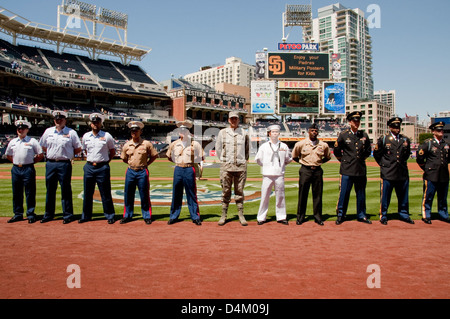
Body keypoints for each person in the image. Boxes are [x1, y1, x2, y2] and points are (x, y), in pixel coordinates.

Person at [39, 111, 82, 224]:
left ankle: (68, 214)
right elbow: (43, 146)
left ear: (65, 120)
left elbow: (78, 148)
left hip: (64, 164)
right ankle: (48, 214)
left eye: (61, 119)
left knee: (66, 190)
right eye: (57, 119)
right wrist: (52, 154)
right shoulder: (48, 132)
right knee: (50, 190)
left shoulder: (71, 132)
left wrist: (68, 154)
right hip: (51, 163)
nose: (59, 121)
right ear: (54, 121)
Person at [373, 117, 414, 225]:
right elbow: (377, 154)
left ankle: (404, 214)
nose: (397, 128)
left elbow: (406, 155)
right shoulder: (384, 139)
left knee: (403, 196)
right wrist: (384, 165)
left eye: (398, 126)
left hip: (402, 172)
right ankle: (384, 215)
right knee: (386, 196)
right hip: (388, 172)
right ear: (390, 127)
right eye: (395, 127)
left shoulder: (405, 140)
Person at [334, 111, 372, 224]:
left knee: (361, 194)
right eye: (354, 121)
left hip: (360, 169)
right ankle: (341, 215)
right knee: (344, 194)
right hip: (347, 169)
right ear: (350, 122)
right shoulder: (344, 135)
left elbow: (367, 151)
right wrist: (344, 161)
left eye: (358, 121)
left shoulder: (364, 135)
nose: (356, 123)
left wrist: (359, 160)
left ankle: (361, 215)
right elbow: (336, 151)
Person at [79, 113, 116, 224]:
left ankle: (110, 215)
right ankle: (86, 216)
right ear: (91, 124)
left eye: (97, 122)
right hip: (89, 166)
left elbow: (112, 152)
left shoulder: (107, 136)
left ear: (101, 124)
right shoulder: (86, 136)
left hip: (102, 167)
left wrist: (104, 162)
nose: (95, 124)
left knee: (105, 192)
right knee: (88, 192)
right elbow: (86, 151)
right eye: (94, 122)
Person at [292, 123, 331, 226]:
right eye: (312, 130)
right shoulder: (301, 144)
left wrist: (319, 163)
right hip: (305, 170)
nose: (314, 132)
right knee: (302, 194)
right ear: (308, 132)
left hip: (317, 171)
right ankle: (300, 217)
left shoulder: (323, 145)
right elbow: (295, 157)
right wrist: (304, 164)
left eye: (316, 131)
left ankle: (318, 217)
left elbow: (327, 157)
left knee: (317, 195)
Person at [166, 120, 204, 225]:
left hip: (189, 169)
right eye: (181, 130)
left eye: (185, 130)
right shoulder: (174, 144)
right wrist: (178, 162)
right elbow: (169, 156)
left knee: (191, 194)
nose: (183, 131)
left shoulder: (194, 144)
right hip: (178, 169)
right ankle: (174, 216)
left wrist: (193, 160)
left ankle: (195, 217)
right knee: (176, 194)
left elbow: (201, 156)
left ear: (188, 131)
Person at [5, 120, 44, 223]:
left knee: (30, 192)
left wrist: (30, 162)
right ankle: (18, 214)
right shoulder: (13, 142)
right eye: (19, 129)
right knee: (16, 192)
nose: (20, 130)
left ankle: (30, 214)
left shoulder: (32, 141)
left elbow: (40, 155)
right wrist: (17, 162)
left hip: (28, 168)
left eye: (22, 129)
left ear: (27, 130)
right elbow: (8, 155)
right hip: (16, 168)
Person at [215, 111, 249, 226]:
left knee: (239, 191)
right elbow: (218, 149)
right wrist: (225, 160)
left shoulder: (244, 133)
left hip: (240, 167)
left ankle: (241, 214)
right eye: (231, 119)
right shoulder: (222, 133)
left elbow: (247, 149)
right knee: (225, 191)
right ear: (229, 120)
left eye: (236, 118)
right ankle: (223, 215)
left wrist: (242, 160)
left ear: (239, 119)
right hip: (226, 167)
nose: (234, 120)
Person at [120, 121, 158, 224]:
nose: (134, 133)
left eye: (136, 131)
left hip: (142, 171)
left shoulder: (146, 144)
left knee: (144, 194)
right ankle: (127, 215)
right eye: (132, 131)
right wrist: (131, 163)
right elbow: (124, 158)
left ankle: (147, 215)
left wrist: (146, 164)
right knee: (128, 194)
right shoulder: (127, 145)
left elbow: (154, 155)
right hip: (130, 171)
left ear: (140, 131)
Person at [255, 125, 292, 225]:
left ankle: (281, 217)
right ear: (269, 133)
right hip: (267, 174)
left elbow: (288, 159)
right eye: (273, 132)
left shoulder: (284, 146)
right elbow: (258, 159)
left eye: (277, 132)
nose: (275, 134)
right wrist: (267, 166)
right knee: (264, 196)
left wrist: (280, 166)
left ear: (279, 133)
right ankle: (261, 217)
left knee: (280, 196)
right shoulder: (264, 146)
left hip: (279, 174)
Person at [416, 121, 450, 224]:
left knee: (443, 197)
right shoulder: (428, 143)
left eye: (442, 130)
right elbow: (420, 158)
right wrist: (426, 169)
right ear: (433, 132)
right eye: (438, 130)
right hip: (431, 175)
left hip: (443, 175)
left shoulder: (446, 144)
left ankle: (443, 214)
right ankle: (427, 215)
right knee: (428, 196)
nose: (441, 132)